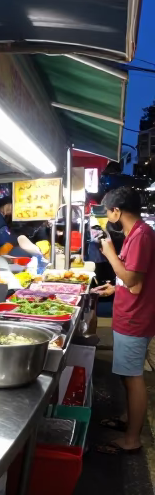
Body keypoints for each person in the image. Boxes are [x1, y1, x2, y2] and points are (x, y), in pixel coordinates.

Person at [91, 186, 155, 455]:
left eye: (107, 212)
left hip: (135, 318)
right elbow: (130, 280)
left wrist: (109, 254)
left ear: (116, 211)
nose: (107, 217)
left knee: (132, 377)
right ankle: (130, 419)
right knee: (127, 374)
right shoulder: (135, 234)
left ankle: (132, 439)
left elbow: (132, 278)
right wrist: (114, 288)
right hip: (130, 312)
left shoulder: (141, 236)